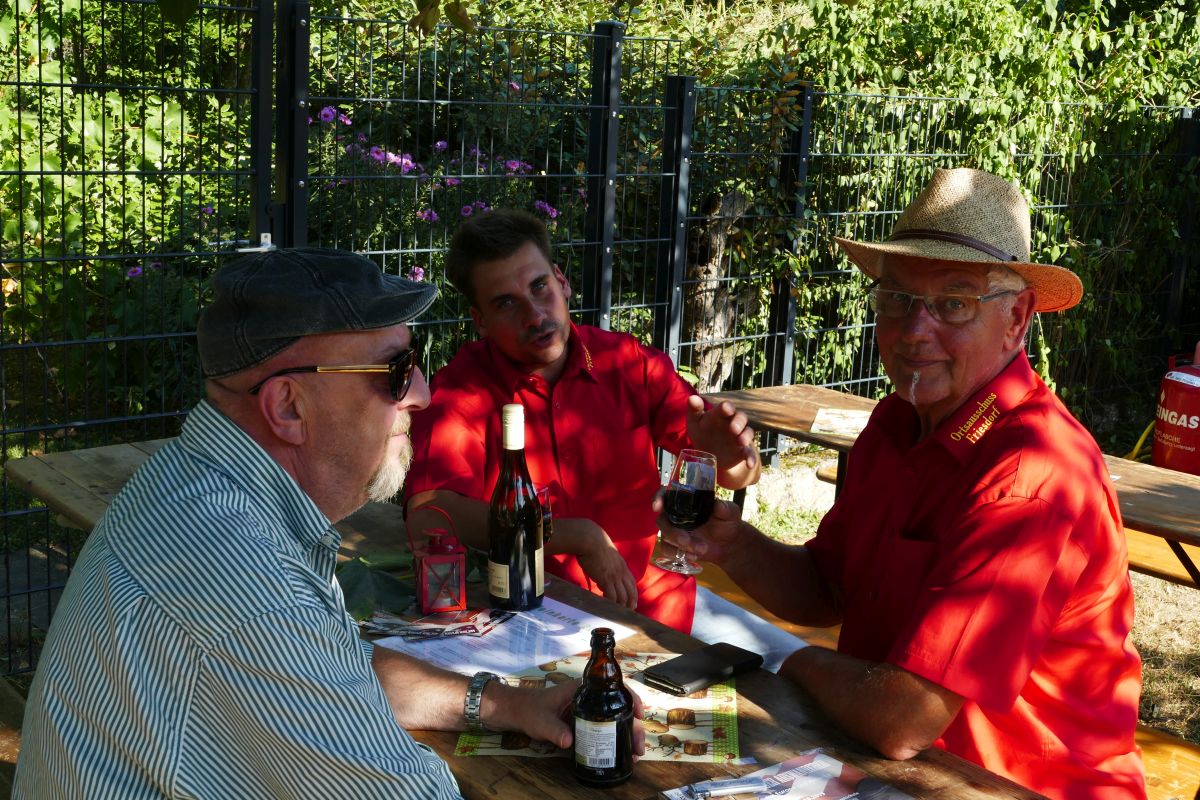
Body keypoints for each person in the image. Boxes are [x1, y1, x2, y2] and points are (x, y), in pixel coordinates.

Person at [15, 248, 608, 799]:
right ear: (288, 407)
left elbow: (335, 667)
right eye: (395, 370)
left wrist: (503, 703)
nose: (422, 395)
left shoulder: (200, 487)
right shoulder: (241, 576)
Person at [658, 168, 1146, 799]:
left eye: (954, 303)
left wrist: (787, 658)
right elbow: (829, 589)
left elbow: (903, 719)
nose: (915, 331)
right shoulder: (897, 422)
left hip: (1019, 787)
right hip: (901, 771)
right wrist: (734, 546)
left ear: (1018, 317)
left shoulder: (1033, 474)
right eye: (897, 298)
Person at [405, 209, 803, 667]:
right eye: (506, 304)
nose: (535, 315)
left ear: (562, 282)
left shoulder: (627, 362)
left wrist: (734, 458)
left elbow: (737, 473)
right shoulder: (463, 389)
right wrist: (574, 536)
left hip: (660, 606)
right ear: (480, 320)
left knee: (799, 669)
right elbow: (429, 515)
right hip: (538, 623)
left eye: (539, 287)